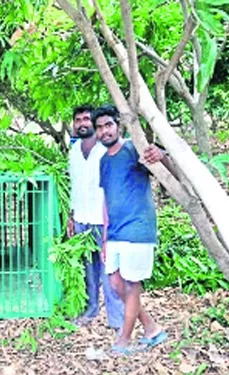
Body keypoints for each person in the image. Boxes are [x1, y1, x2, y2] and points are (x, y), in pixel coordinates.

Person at [94, 106, 170, 355]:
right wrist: (105, 238)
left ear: (118, 125)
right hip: (115, 232)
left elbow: (164, 169)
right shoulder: (104, 161)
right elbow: (106, 200)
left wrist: (162, 155)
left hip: (138, 229)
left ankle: (123, 340)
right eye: (100, 128)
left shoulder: (132, 149)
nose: (104, 131)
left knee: (131, 285)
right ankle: (151, 329)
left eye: (108, 125)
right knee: (116, 285)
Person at [67, 105, 124, 329]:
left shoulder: (106, 150)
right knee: (88, 268)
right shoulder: (73, 151)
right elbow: (73, 185)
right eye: (78, 120)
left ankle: (117, 319)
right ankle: (91, 309)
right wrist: (72, 216)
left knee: (109, 268)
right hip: (82, 218)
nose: (82, 123)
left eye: (86, 119)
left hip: (104, 219)